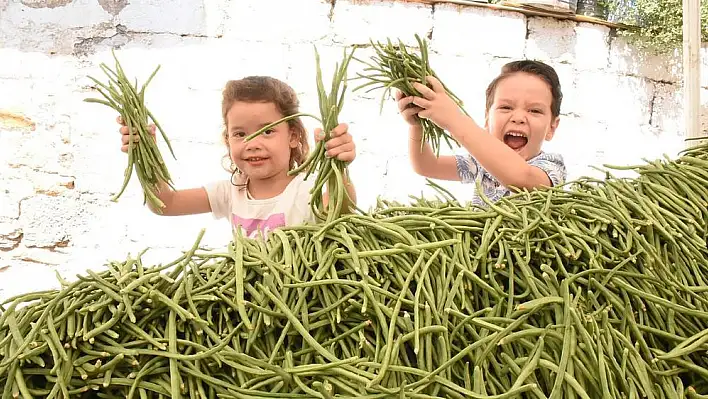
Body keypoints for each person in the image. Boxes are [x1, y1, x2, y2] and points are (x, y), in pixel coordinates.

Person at [118, 76, 358, 238]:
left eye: (267, 131)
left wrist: (339, 166)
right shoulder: (231, 191)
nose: (252, 144)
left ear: (293, 136)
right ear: (227, 138)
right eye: (240, 133)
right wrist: (144, 154)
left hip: (303, 307)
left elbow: (341, 214)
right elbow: (165, 204)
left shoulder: (307, 190)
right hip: (246, 309)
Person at [396, 60, 566, 206]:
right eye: (506, 107)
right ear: (487, 118)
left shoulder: (551, 167)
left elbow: (521, 177)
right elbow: (427, 166)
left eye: (534, 111)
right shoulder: (480, 163)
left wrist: (455, 120)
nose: (519, 117)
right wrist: (418, 125)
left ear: (551, 128)